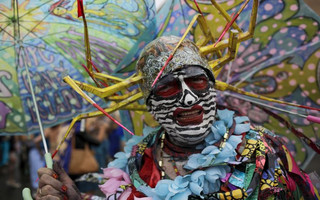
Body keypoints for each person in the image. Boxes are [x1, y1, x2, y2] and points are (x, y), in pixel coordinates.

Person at [35, 36, 319, 199]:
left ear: (211, 85)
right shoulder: (137, 161)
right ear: (151, 104)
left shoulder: (262, 150)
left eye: (196, 81)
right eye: (168, 87)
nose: (189, 98)